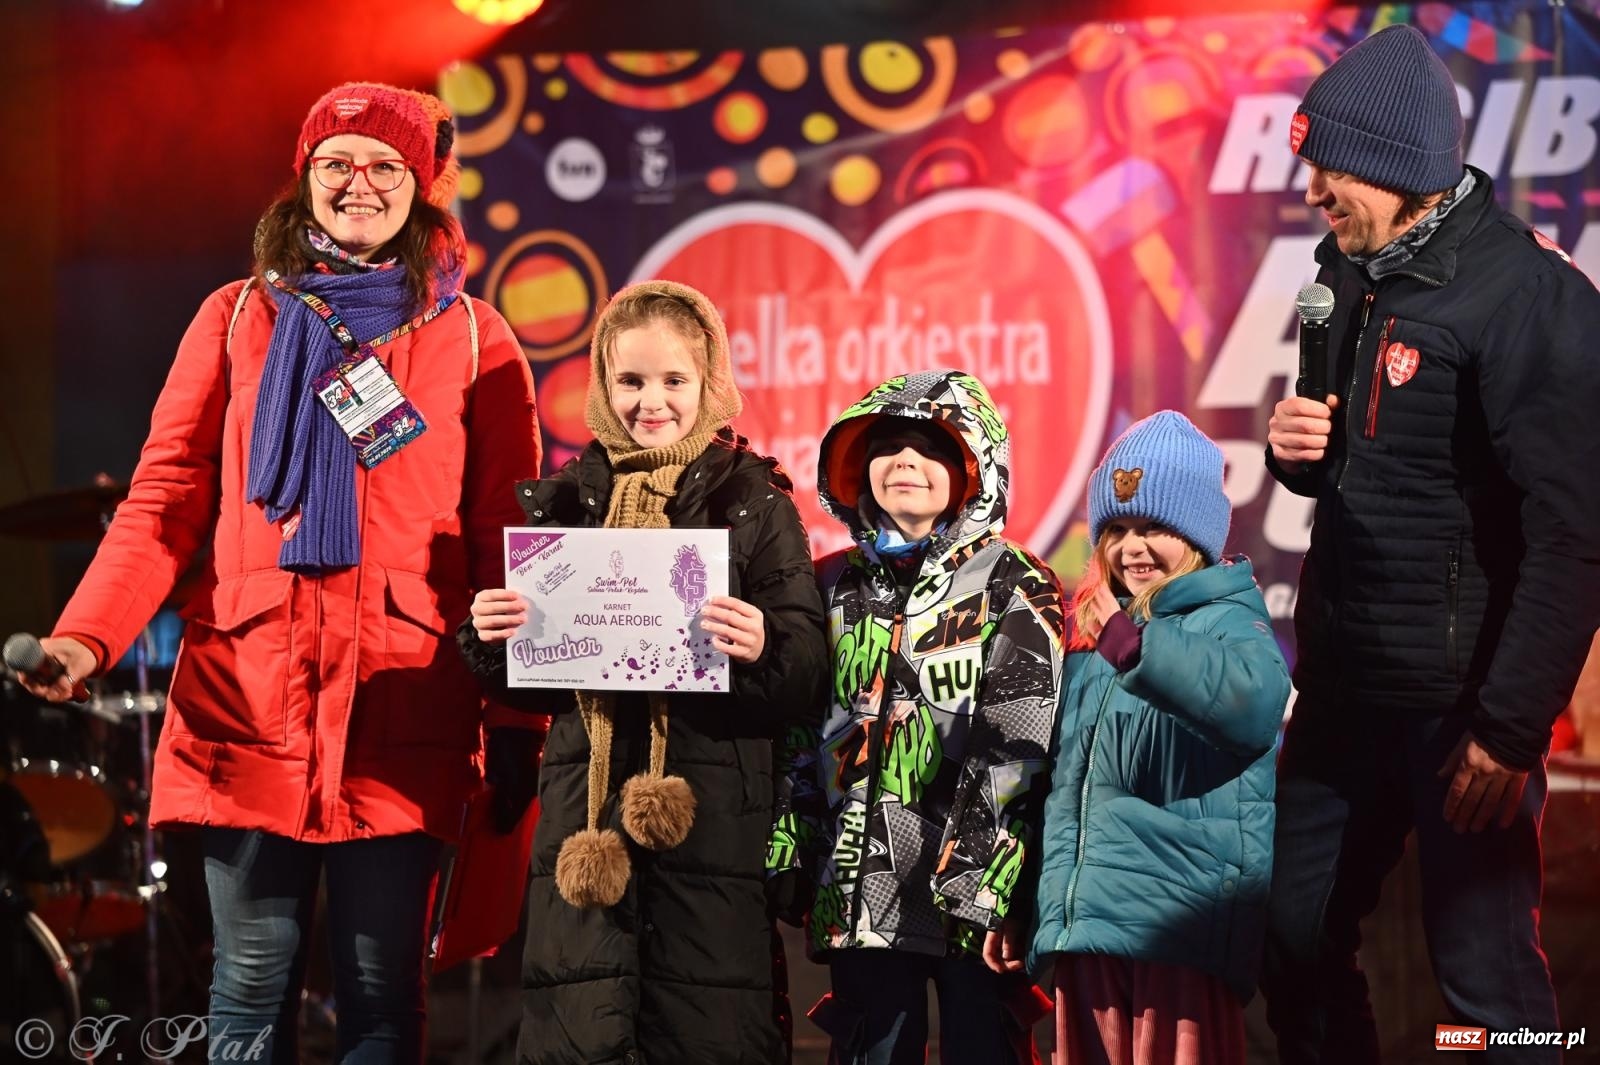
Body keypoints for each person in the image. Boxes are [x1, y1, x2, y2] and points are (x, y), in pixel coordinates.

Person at [11, 82, 542, 1062]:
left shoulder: (477, 337)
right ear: (300, 180)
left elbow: (508, 540)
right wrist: (86, 637)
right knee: (247, 990)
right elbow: (165, 499)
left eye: (386, 165)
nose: (359, 182)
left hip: (406, 701)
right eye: (335, 162)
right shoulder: (232, 317)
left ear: (424, 188)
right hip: (249, 697)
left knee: (385, 1002)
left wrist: (516, 717)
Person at [1261, 24, 1600, 1063]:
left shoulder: (1530, 298)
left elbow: (1574, 533)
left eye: (1329, 168)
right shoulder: (1346, 268)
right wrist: (1296, 453)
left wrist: (1507, 728)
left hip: (1464, 713)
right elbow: (1359, 453)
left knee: (1487, 997)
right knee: (1290, 941)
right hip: (1343, 693)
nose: (1312, 190)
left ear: (1400, 167)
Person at [459, 279, 828, 1065]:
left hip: (711, 836)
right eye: (629, 380)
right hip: (583, 833)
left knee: (705, 1035)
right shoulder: (560, 502)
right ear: (600, 383)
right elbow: (539, 677)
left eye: (673, 381)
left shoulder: (753, 501)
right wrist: (495, 640)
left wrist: (764, 644)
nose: (649, 401)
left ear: (710, 382)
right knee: (583, 1030)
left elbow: (806, 671)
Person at [767, 370, 1063, 1065]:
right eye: (888, 445)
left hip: (976, 901)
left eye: (929, 447)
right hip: (864, 896)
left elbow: (1019, 743)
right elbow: (801, 729)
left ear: (972, 469)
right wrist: (790, 837)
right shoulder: (828, 582)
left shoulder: (1015, 582)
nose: (904, 461)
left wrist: (983, 882)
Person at [1028, 411, 1289, 1065]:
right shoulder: (1094, 639)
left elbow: (1252, 702)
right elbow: (1065, 795)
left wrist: (1135, 646)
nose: (1132, 547)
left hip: (1177, 937)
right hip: (1088, 935)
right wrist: (1036, 911)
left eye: (1155, 527)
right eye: (1117, 529)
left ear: (1197, 535)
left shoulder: (1229, 618)